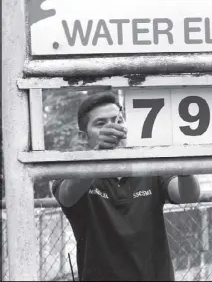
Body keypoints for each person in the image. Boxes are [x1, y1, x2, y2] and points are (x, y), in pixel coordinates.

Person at [52, 90, 201, 281]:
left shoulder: (150, 166)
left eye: (118, 120)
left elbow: (188, 195)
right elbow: (67, 195)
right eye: (100, 124)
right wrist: (99, 155)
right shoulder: (75, 174)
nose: (112, 128)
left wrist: (185, 168)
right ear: (83, 137)